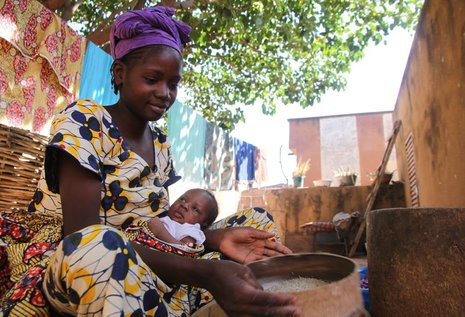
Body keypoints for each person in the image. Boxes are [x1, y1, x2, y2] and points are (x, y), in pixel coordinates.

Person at [0, 6, 302, 317]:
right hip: (79, 263)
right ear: (120, 73)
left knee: (256, 222)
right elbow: (81, 235)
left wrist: (213, 239)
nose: (164, 93)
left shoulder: (160, 144)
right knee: (102, 246)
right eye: (152, 79)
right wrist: (205, 273)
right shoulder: (84, 120)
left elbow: (160, 223)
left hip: (149, 256)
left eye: (173, 84)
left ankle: (233, 301)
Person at [147, 188, 219, 248]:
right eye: (183, 199)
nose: (184, 205)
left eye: (195, 209)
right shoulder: (163, 214)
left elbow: (186, 249)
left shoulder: (191, 230)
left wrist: (160, 232)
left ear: (204, 223)